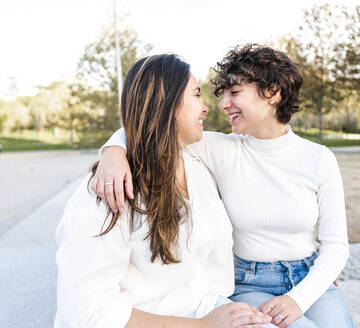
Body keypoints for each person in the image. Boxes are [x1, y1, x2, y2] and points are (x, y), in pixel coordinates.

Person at [93, 45, 354, 328]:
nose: (222, 104)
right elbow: (154, 125)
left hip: (310, 278)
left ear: (272, 93)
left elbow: (336, 246)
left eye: (235, 92)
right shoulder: (219, 149)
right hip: (250, 283)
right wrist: (113, 152)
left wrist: (299, 299)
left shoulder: (319, 158)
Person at [55, 54, 272, 328]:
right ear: (167, 105)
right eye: (196, 95)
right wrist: (204, 326)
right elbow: (87, 314)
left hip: (210, 308)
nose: (206, 108)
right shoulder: (107, 192)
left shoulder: (198, 164)